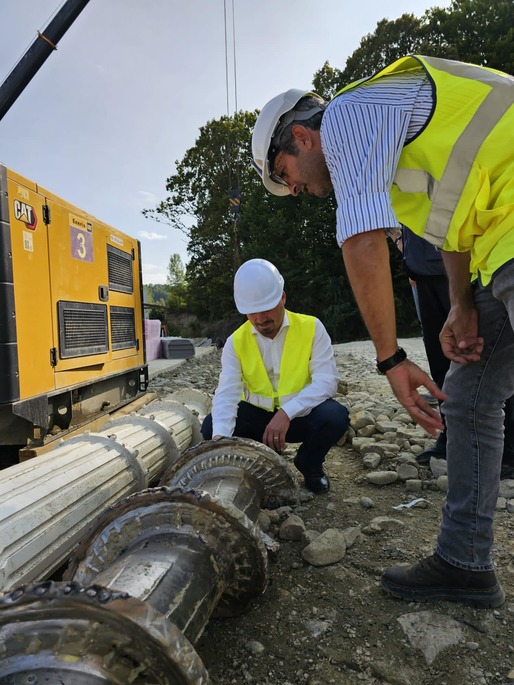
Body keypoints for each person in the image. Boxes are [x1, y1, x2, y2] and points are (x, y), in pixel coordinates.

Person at [251, 55, 514, 609]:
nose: (290, 189)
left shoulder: (348, 114)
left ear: (303, 135)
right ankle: (465, 561)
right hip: (498, 245)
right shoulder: (397, 166)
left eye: (282, 173)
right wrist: (461, 304)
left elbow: (362, 240)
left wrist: (392, 360)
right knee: (467, 397)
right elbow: (452, 229)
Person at [201, 258, 349, 494]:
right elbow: (227, 392)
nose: (260, 319)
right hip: (257, 420)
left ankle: (309, 464)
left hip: (299, 416)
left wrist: (286, 412)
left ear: (282, 297)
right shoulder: (235, 342)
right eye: (252, 312)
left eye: (266, 308)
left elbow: (327, 381)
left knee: (335, 416)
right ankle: (252, 463)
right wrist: (221, 443)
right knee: (211, 427)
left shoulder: (312, 327)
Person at [395, 226, 514, 475]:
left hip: (463, 267)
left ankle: (508, 446)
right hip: (422, 269)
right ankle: (450, 435)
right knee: (440, 359)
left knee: (483, 358)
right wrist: (403, 247)